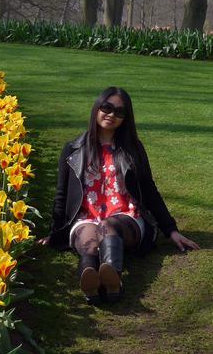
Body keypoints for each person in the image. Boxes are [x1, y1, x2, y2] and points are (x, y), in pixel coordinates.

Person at [40, 87, 199, 303]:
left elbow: (149, 189)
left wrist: (170, 230)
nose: (111, 115)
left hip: (127, 217)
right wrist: (54, 233)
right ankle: (91, 283)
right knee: (88, 237)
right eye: (107, 108)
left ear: (125, 118)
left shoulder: (132, 148)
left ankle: (113, 278)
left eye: (119, 112)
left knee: (107, 226)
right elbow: (62, 194)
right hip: (86, 217)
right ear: (97, 108)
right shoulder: (73, 149)